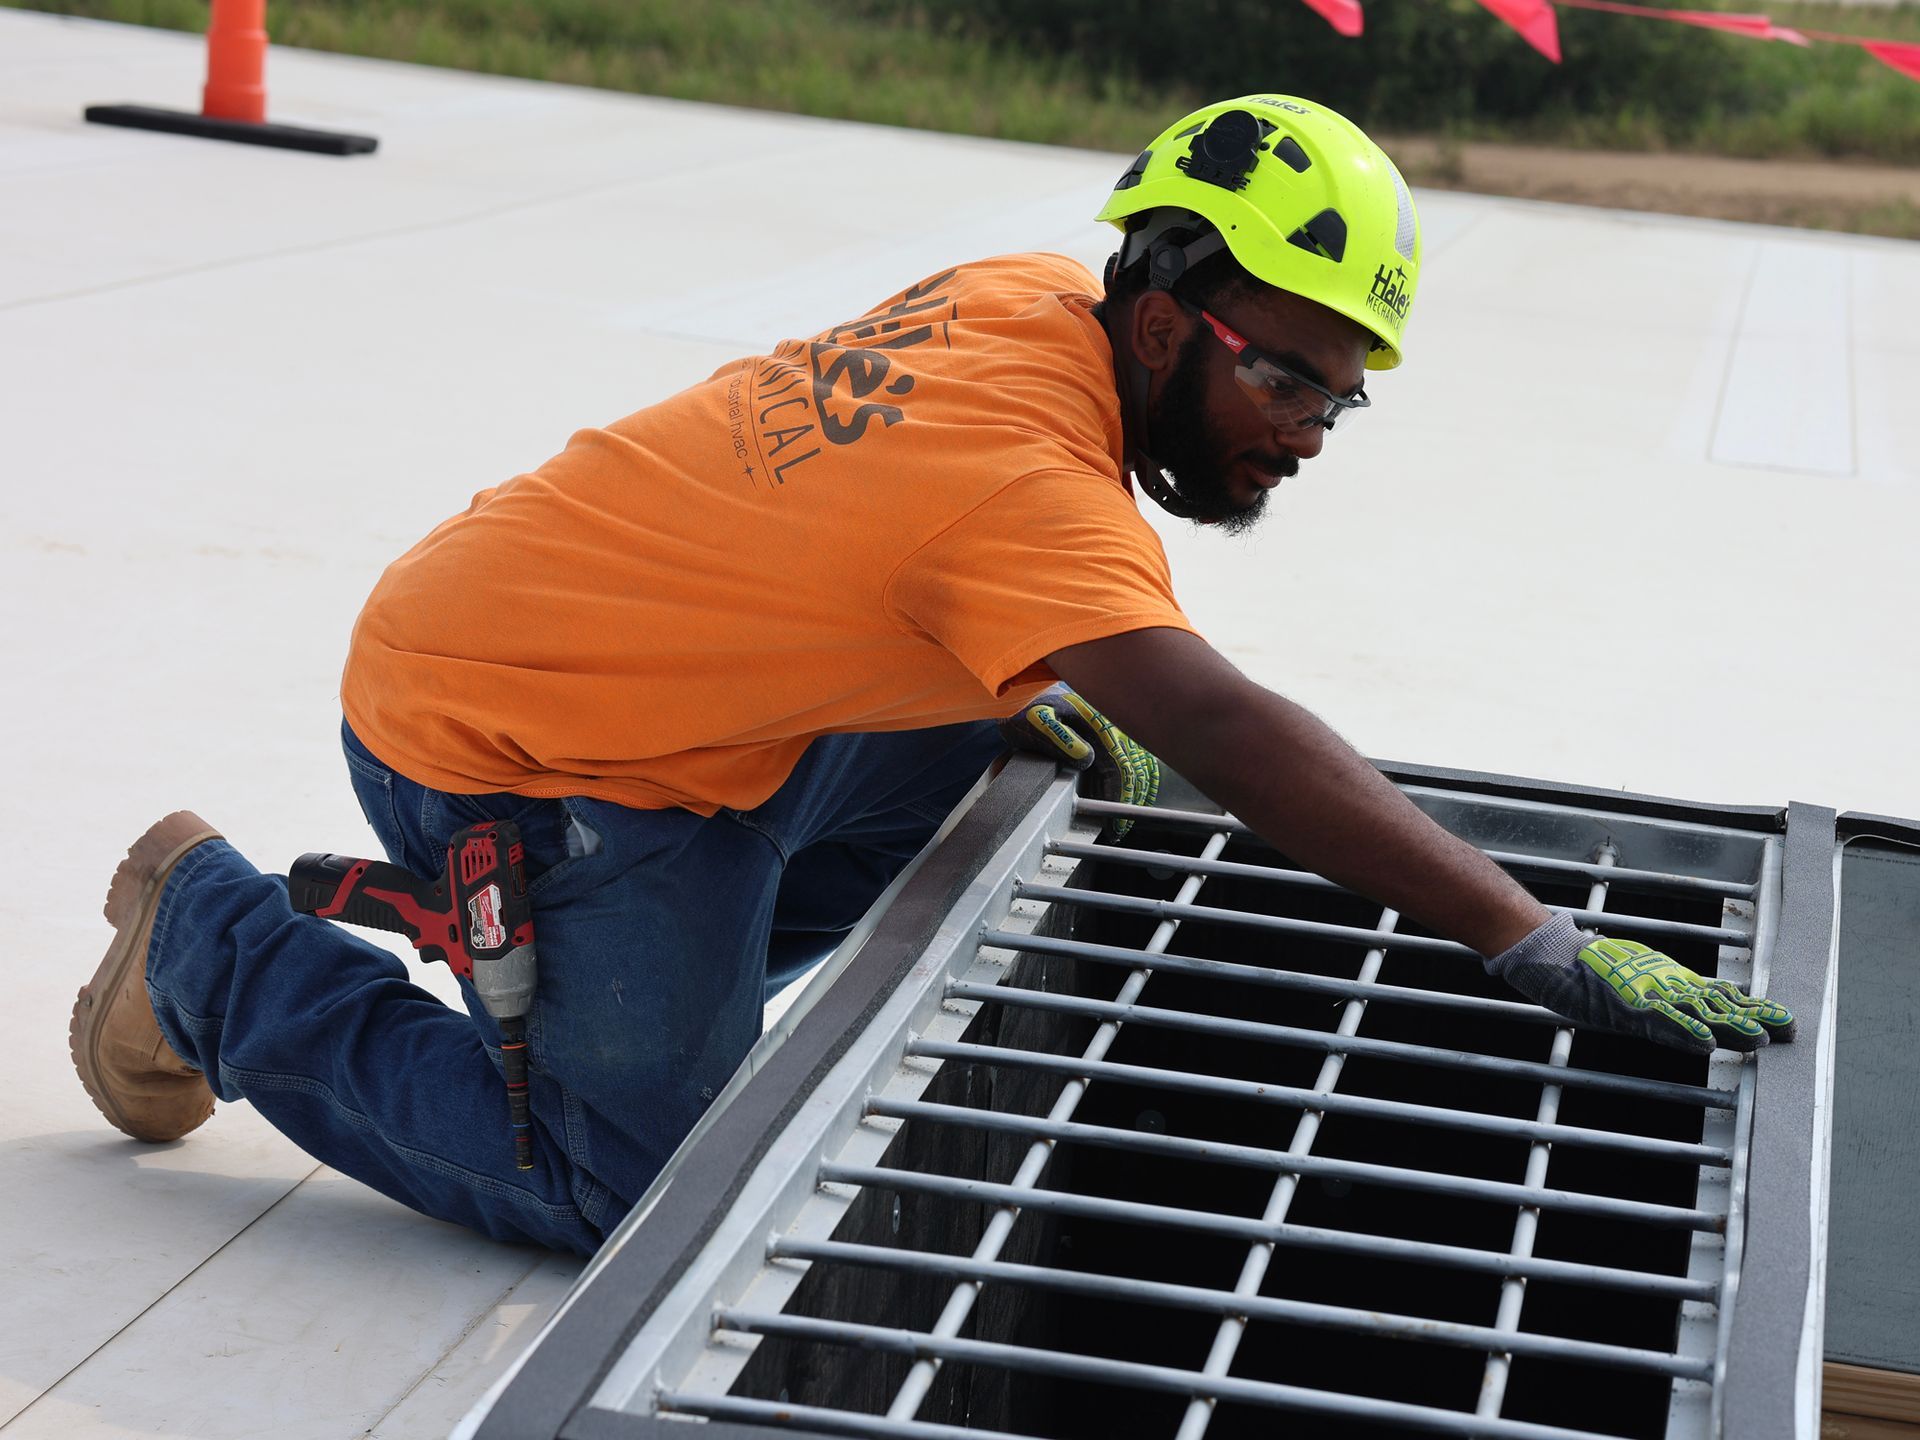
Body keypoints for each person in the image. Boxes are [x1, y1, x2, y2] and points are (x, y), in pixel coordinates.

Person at [69, 95, 1793, 1258]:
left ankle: (508, 936)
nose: (1311, 430)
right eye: (1290, 379)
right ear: (1171, 317)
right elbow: (1224, 721)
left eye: (1346, 397)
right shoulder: (1022, 499)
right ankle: (215, 943)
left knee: (1031, 738)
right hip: (513, 737)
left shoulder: (1037, 296)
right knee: (620, 1181)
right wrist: (1524, 932)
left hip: (639, 679)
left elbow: (864, 532)